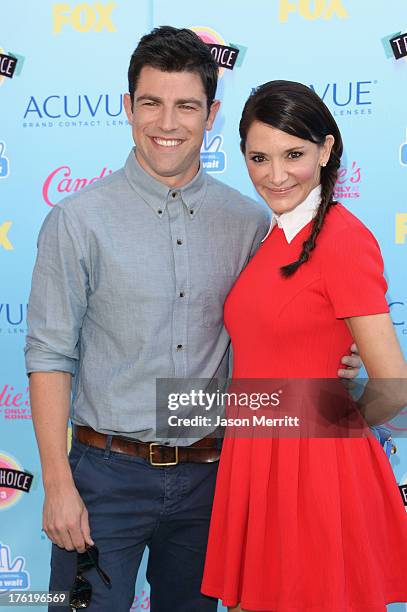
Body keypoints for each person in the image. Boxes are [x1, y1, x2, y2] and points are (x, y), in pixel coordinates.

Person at [25, 29, 361, 612]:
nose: (168, 122)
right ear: (127, 106)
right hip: (105, 479)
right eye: (151, 102)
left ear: (212, 115)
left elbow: (274, 332)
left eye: (187, 106)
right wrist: (57, 485)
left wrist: (337, 360)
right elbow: (50, 355)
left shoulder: (252, 221)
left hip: (216, 479)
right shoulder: (77, 221)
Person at [201, 80, 407, 611]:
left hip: (313, 475)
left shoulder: (341, 238)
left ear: (326, 149)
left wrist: (329, 425)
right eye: (258, 158)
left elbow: (393, 382)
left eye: (293, 154)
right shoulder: (274, 236)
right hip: (255, 459)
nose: (275, 175)